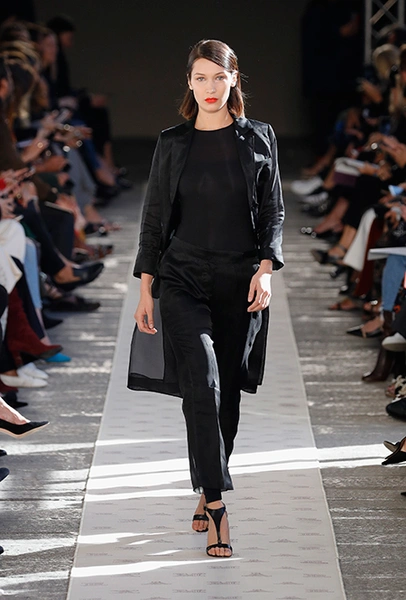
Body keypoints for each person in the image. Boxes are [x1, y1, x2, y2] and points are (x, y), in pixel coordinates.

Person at [129, 39, 284, 558]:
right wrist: (146, 287)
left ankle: (206, 483)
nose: (210, 87)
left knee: (228, 392)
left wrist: (266, 269)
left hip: (240, 279)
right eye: (201, 78)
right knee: (203, 380)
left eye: (219, 77)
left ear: (234, 79)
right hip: (182, 276)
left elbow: (273, 210)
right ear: (189, 83)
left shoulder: (259, 137)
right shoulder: (172, 142)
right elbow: (154, 218)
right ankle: (216, 503)